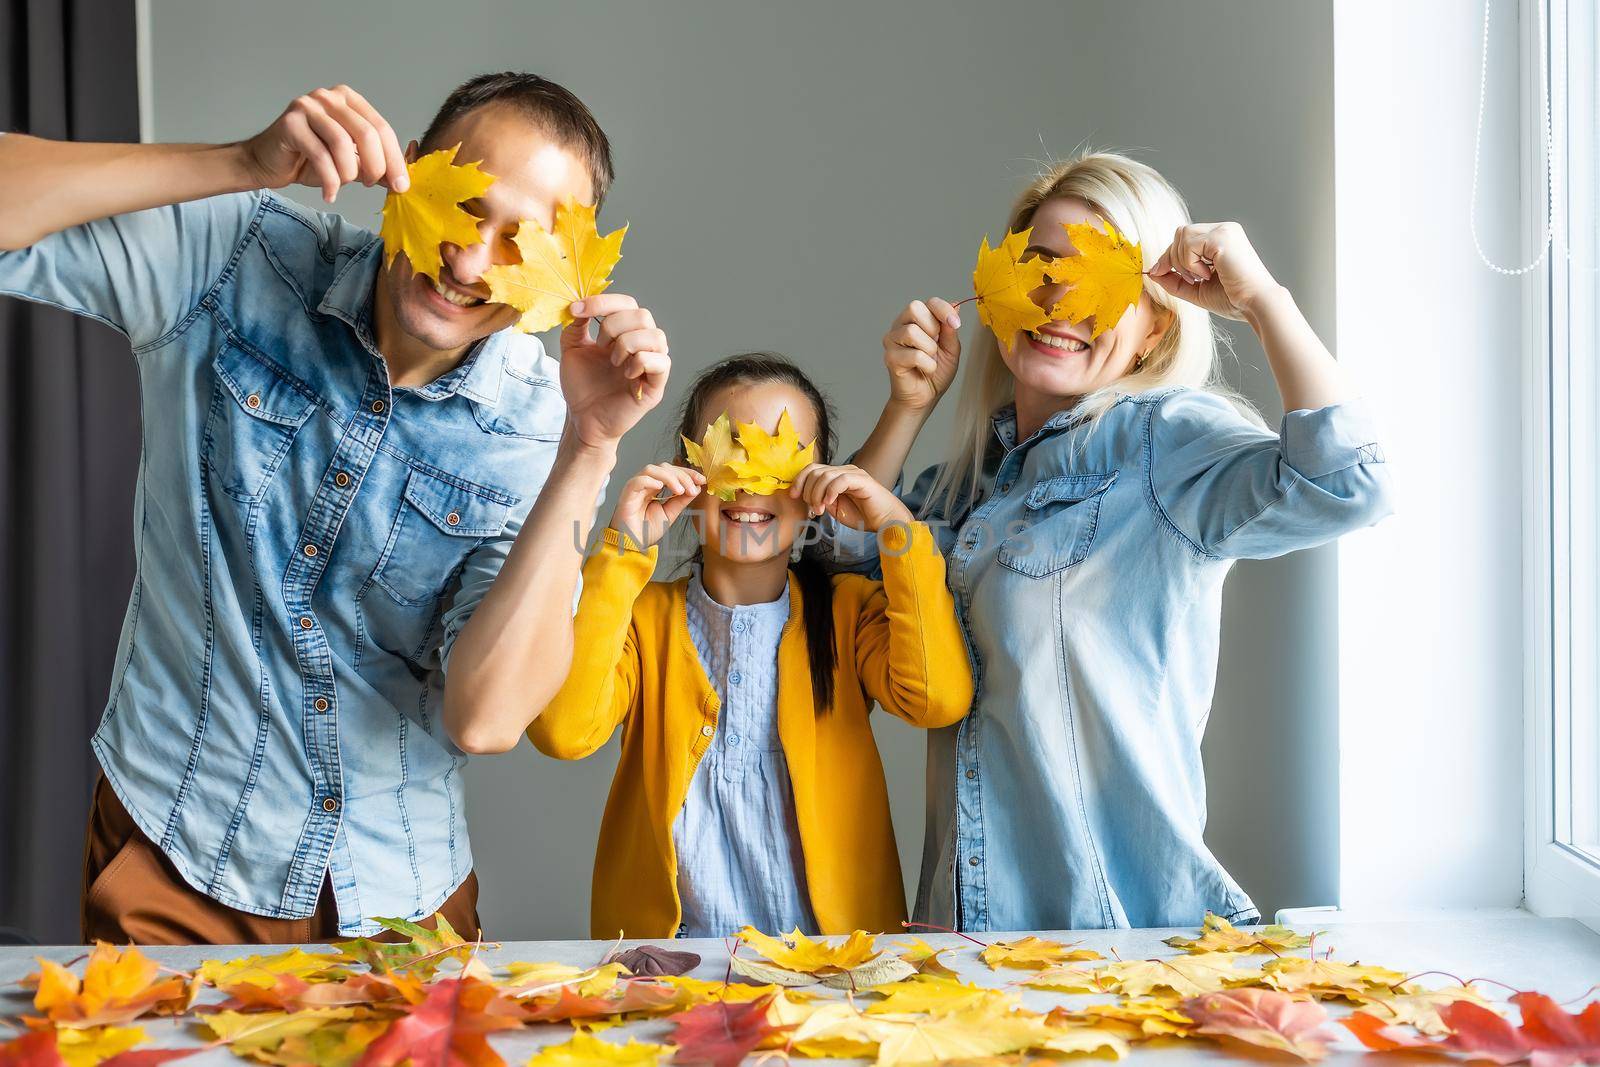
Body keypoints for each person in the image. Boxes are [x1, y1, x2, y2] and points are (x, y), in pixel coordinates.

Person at [0, 73, 670, 943]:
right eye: (462, 205)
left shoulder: (541, 427)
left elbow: (488, 715)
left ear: (568, 272)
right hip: (176, 855)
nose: (468, 263)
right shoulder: (237, 256)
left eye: (522, 242)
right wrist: (239, 161)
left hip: (400, 895)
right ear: (410, 171)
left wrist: (590, 448)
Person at [844, 151, 1395, 930]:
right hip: (968, 945)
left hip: (1122, 943)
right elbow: (824, 556)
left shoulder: (1166, 447)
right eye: (1037, 262)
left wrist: (1263, 298)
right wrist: (905, 408)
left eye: (1104, 275)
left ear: (1152, 329)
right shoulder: (973, 483)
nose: (1058, 295)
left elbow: (1351, 484)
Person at [505, 354, 972, 938]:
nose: (751, 482)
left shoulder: (848, 612)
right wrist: (623, 551)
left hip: (832, 968)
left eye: (781, 457)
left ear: (818, 488)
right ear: (686, 472)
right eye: (730, 448)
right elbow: (562, 732)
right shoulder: (641, 619)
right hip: (671, 970)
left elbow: (938, 700)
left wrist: (898, 534)